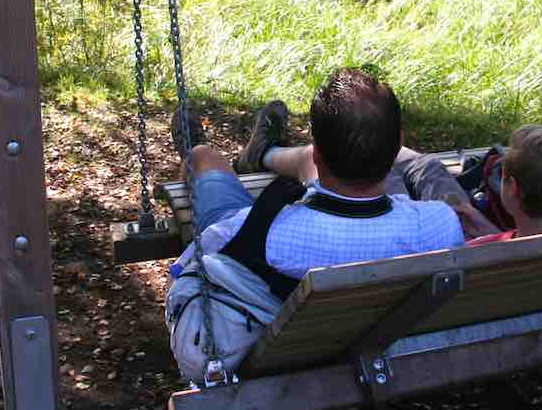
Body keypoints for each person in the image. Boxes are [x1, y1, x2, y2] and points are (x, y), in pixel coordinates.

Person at [168, 67, 466, 288]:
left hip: (275, 344)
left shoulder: (260, 233)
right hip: (389, 343)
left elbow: (191, 266)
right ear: (398, 144)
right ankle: (262, 153)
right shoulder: (440, 225)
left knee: (203, 158)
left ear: (317, 154)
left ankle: (197, 150)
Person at [249, 122, 542, 244]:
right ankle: (368, 138)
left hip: (412, 231)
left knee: (378, 172)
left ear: (511, 189)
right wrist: (481, 224)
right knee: (426, 165)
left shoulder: (478, 253)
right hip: (472, 239)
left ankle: (266, 151)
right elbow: (519, 244)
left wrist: (473, 231)